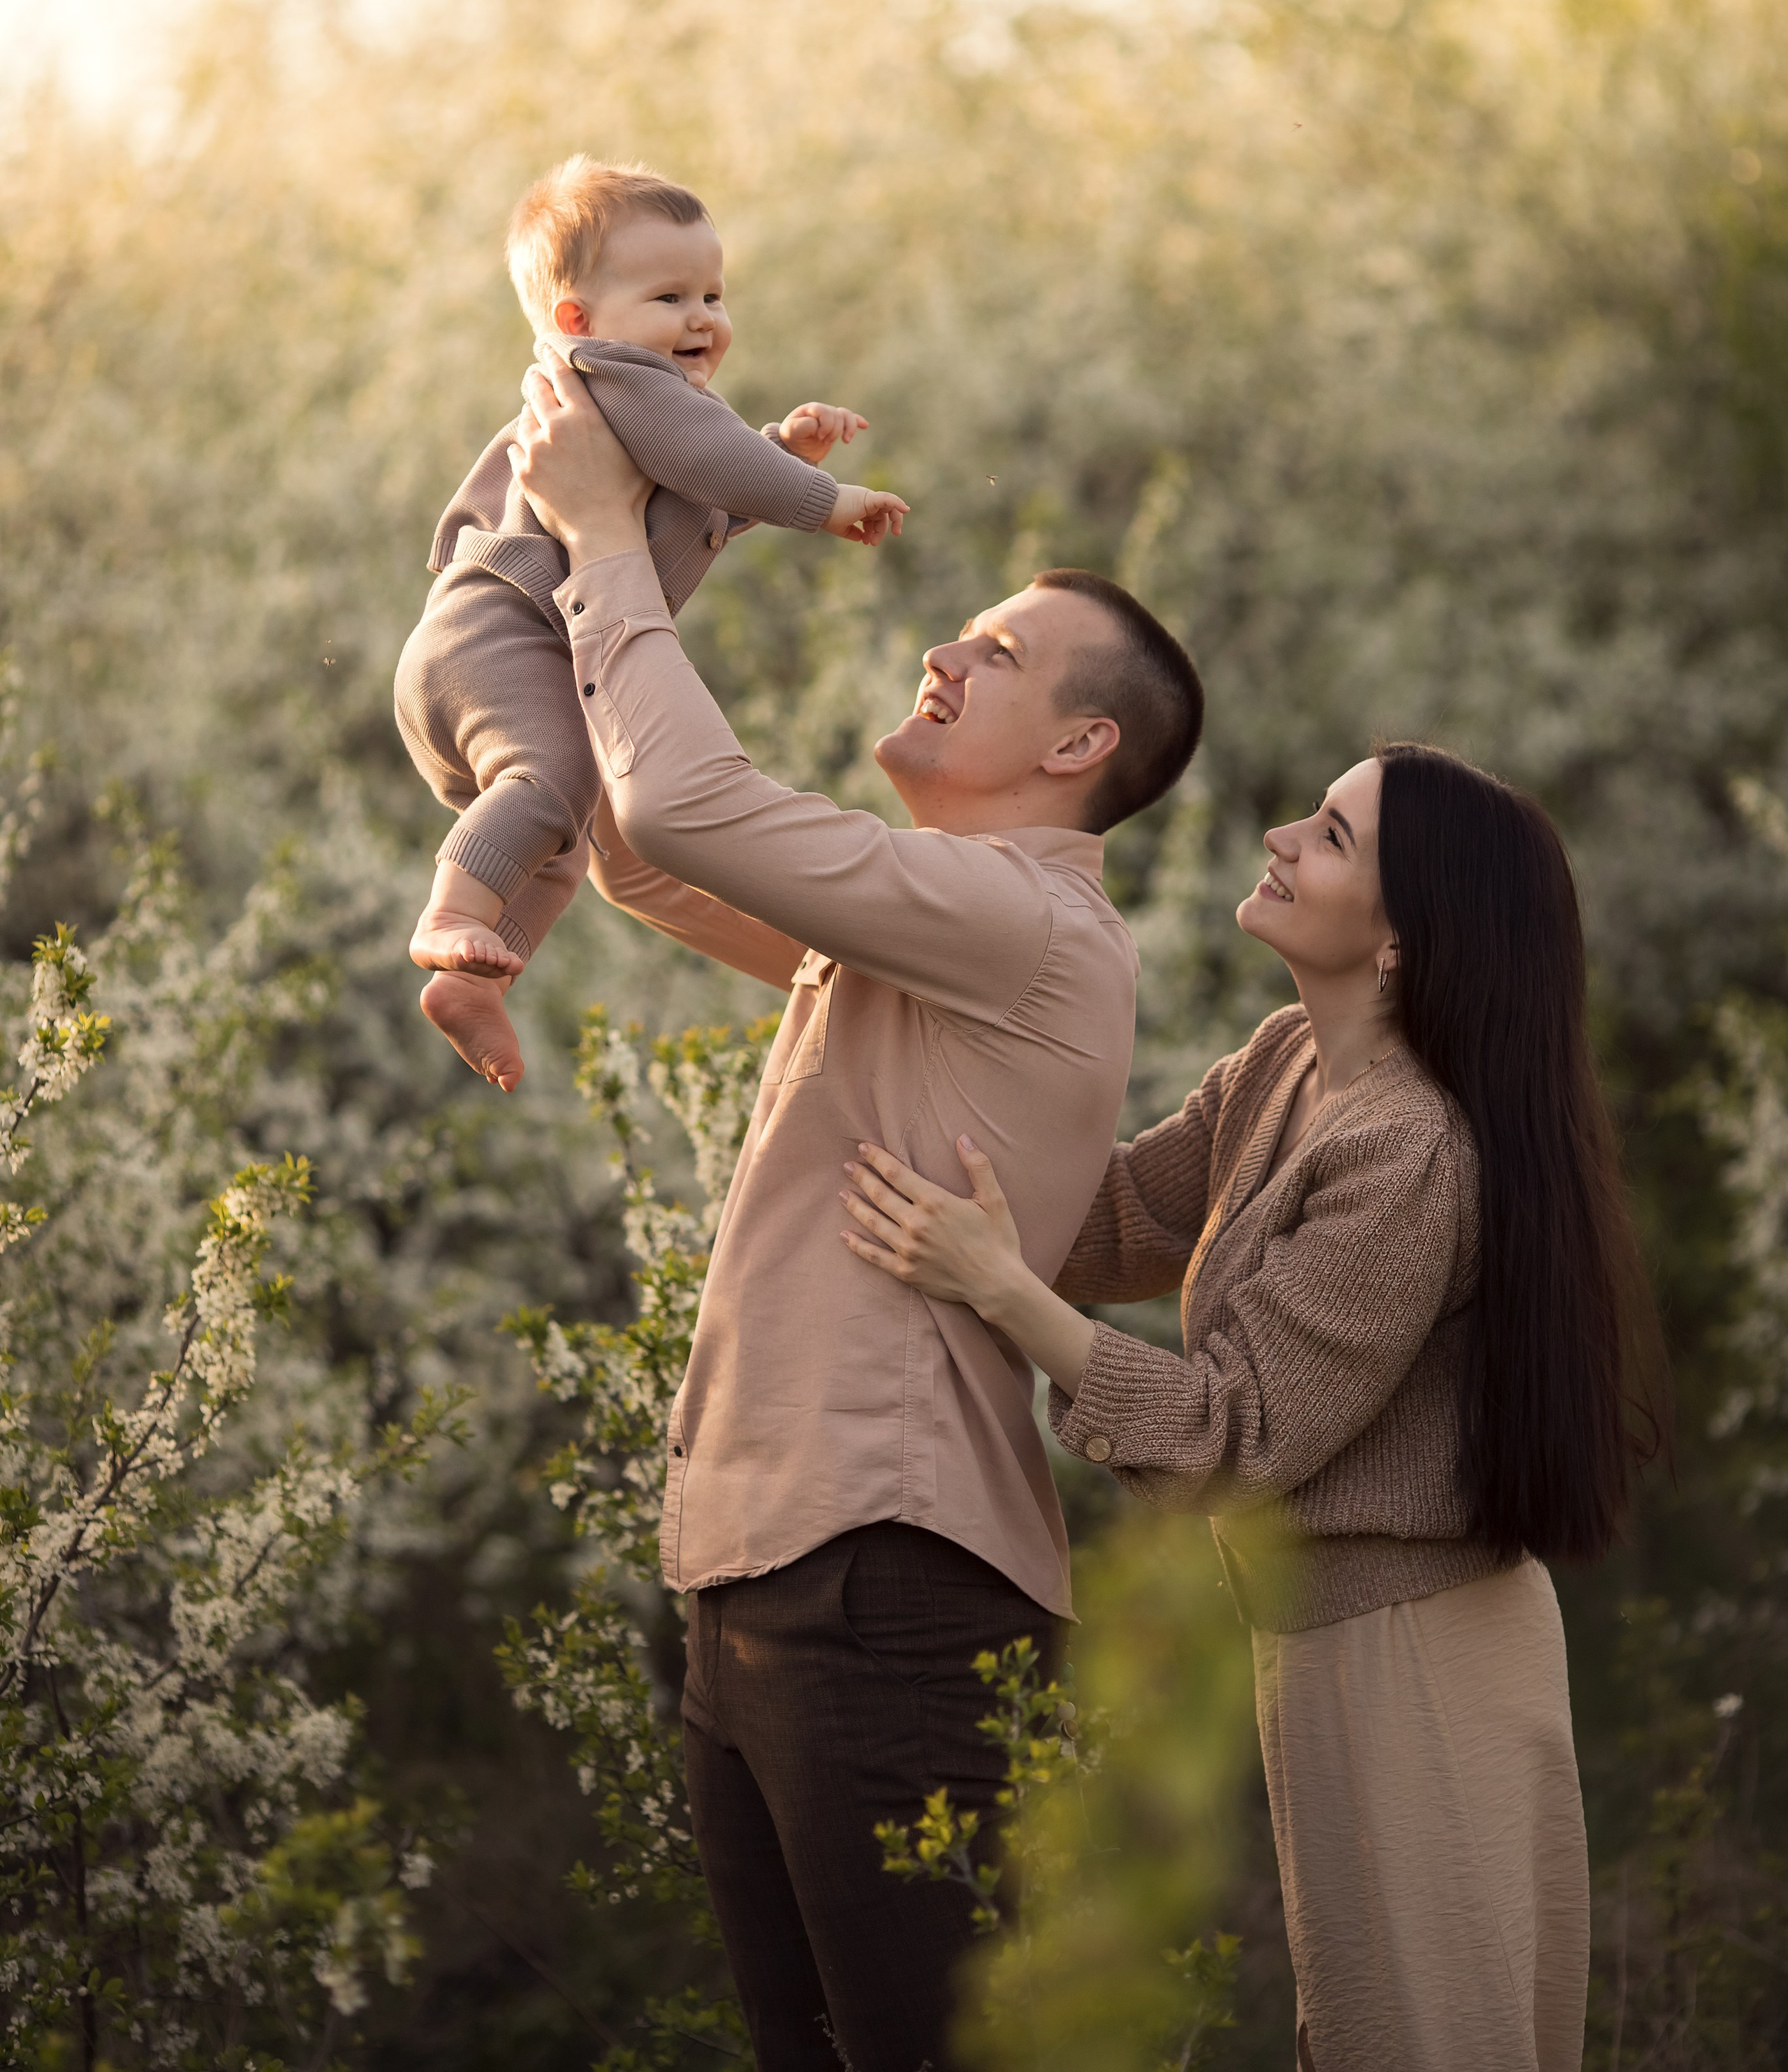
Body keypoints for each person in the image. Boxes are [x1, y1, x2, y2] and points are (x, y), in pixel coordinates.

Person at [507, 346, 1204, 2072]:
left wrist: (602, 540)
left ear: (1080, 743)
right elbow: (641, 852)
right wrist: (672, 524)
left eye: (996, 652)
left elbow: (679, 799)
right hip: (758, 1570)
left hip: (886, 1581)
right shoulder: (926, 920)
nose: (940, 650)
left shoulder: (1022, 924)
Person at [840, 742, 1667, 2072]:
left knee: (1422, 2043)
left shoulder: (1409, 1151)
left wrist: (1002, 1294)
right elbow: (1113, 1219)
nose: (1282, 835)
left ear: (1403, 940)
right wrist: (918, 1078)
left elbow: (1239, 1437)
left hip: (1419, 1657)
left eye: (1333, 836)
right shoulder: (1289, 1062)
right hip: (1335, 1641)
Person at [393, 156, 907, 1091]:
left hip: (503, 645)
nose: (703, 318)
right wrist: (824, 498)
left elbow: (703, 490)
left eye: (713, 292)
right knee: (546, 784)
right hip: (504, 636)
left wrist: (782, 449)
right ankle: (447, 915)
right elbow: (712, 460)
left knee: (561, 826)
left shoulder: (633, 406)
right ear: (576, 321)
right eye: (668, 295)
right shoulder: (615, 377)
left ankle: (475, 976)